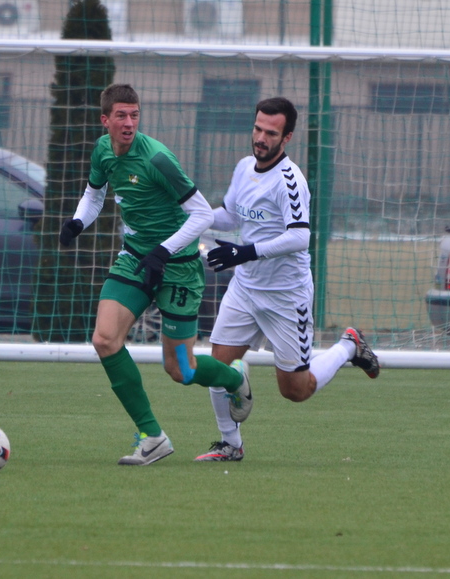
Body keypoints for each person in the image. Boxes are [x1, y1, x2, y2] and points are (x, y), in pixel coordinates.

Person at [58, 84, 250, 466]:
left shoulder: (158, 159)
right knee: (104, 339)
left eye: (134, 115)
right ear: (105, 120)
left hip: (178, 270)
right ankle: (152, 437)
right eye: (121, 116)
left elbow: (203, 215)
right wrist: (78, 222)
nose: (129, 124)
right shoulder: (103, 151)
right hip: (134, 260)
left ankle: (234, 379)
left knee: (181, 368)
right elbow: (95, 195)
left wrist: (165, 250)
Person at [194, 96, 380, 462]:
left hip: (285, 295)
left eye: (271, 133)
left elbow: (299, 236)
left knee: (295, 390)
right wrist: (193, 213)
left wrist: (242, 252)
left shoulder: (290, 182)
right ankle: (230, 444)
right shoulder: (244, 167)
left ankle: (348, 346)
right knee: (217, 368)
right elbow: (230, 216)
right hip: (246, 288)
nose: (261, 138)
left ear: (287, 137)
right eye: (258, 129)